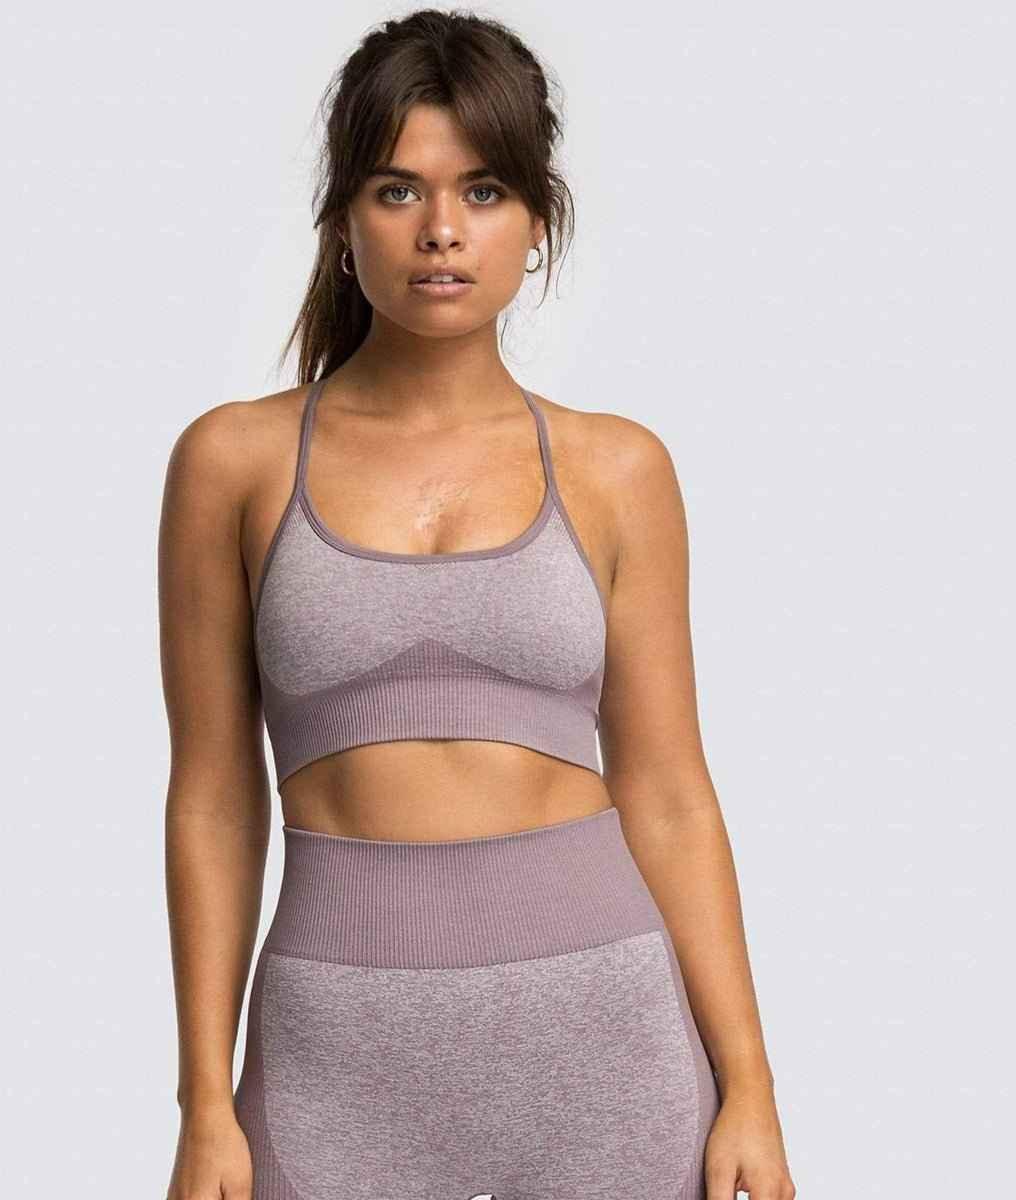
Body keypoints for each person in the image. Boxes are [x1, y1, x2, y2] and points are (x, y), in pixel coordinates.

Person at [159, 9, 795, 1200]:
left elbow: (668, 792)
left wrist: (751, 1085)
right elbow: (212, 798)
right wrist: (204, 1100)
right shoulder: (233, 463)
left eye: (485, 191)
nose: (442, 229)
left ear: (537, 221)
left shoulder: (617, 469)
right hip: (334, 1059)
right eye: (398, 190)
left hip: (608, 1044)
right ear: (342, 218)